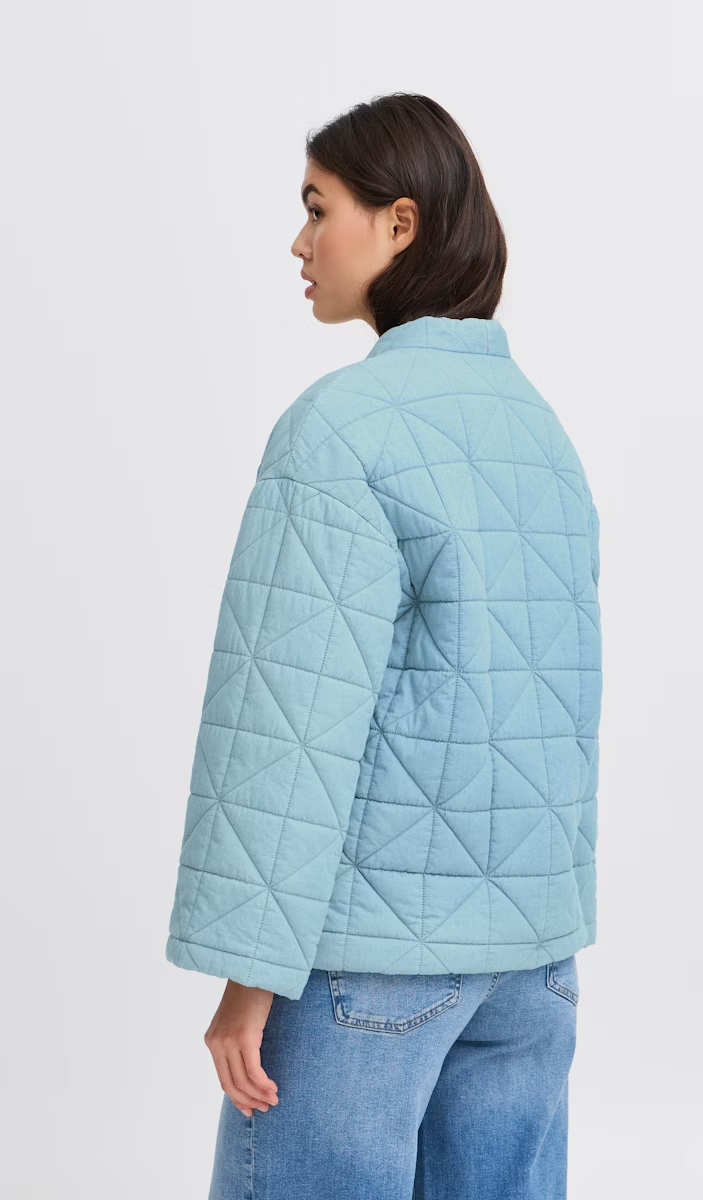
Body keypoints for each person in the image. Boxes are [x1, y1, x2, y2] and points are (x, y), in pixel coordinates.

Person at [165, 92, 602, 1200]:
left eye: (319, 209)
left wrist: (248, 973)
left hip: (370, 969)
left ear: (399, 223)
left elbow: (288, 718)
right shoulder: (541, 435)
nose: (299, 242)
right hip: (532, 970)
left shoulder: (341, 430)